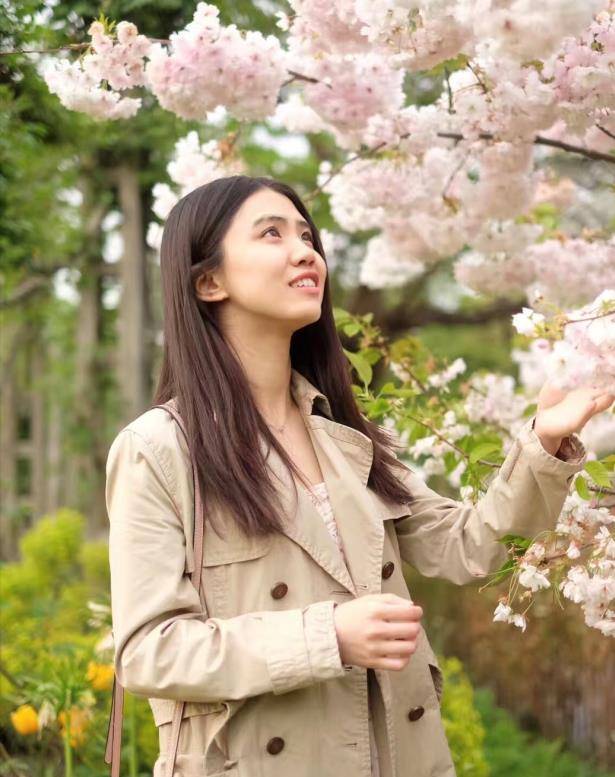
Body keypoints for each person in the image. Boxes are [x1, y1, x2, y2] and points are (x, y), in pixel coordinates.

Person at [105, 175, 609, 777]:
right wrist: (328, 637)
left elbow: (470, 547)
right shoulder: (160, 449)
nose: (305, 251)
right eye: (271, 233)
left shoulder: (347, 435)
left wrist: (544, 439)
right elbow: (147, 652)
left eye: (306, 235)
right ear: (208, 281)